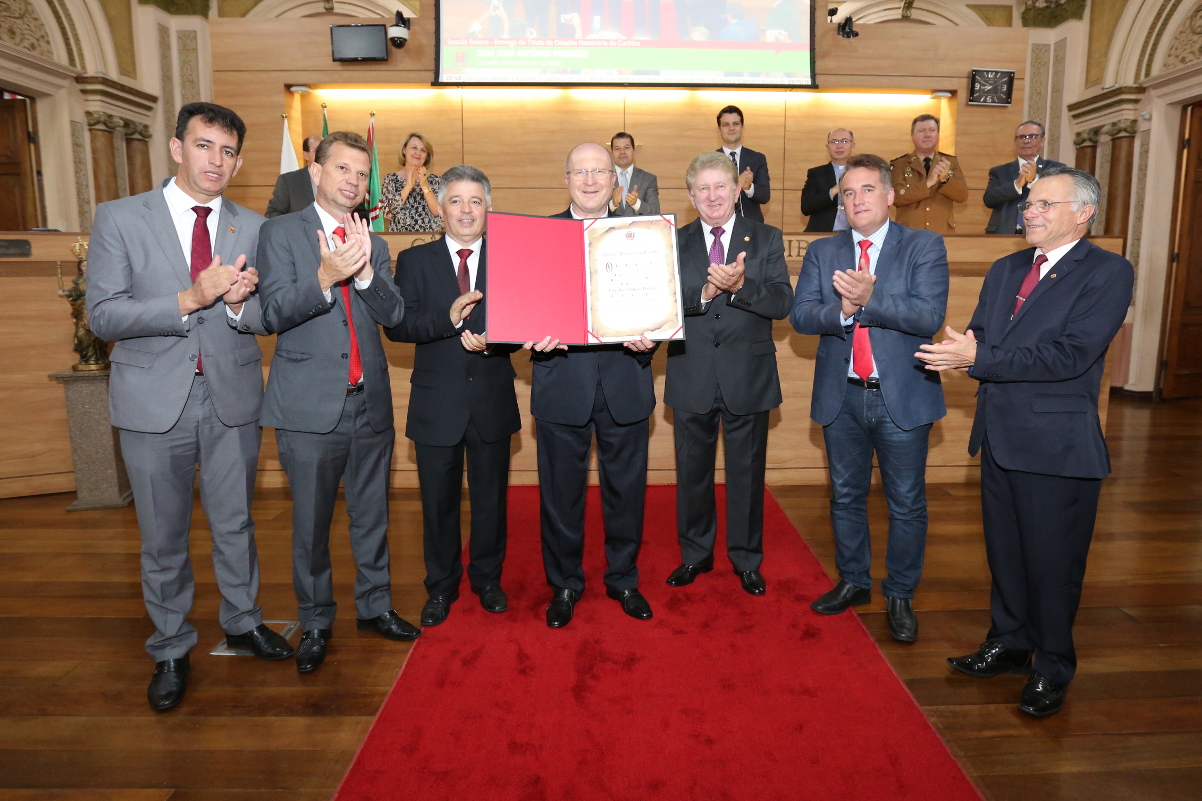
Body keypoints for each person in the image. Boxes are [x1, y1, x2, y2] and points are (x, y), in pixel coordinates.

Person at [87, 102, 292, 712]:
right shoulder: (121, 219)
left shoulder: (254, 228)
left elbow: (261, 316)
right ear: (177, 148)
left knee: (235, 523)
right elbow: (103, 314)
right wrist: (188, 297)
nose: (216, 161)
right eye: (204, 147)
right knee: (162, 536)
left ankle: (244, 621)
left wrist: (234, 305)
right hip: (154, 402)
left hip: (230, 396)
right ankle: (172, 647)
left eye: (228, 152)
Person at [917, 167, 1134, 718]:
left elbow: (1070, 356)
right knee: (1007, 554)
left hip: (1057, 445)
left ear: (1083, 213)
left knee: (1053, 562)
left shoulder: (1108, 273)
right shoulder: (1006, 267)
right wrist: (963, 351)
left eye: (1043, 203)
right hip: (999, 434)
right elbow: (982, 337)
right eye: (1028, 204)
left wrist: (978, 358)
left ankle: (1052, 664)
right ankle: (1010, 643)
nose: (1028, 212)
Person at [257, 131, 417, 675]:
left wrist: (367, 271)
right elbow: (273, 312)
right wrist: (325, 276)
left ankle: (375, 607)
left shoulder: (377, 240)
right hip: (307, 410)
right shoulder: (279, 233)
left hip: (368, 402)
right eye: (342, 168)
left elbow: (394, 317)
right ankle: (317, 620)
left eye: (360, 172)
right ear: (317, 172)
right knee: (311, 526)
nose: (352, 180)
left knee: (372, 517)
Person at [791, 153, 949, 643]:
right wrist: (840, 311)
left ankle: (900, 593)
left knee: (905, 503)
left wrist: (867, 299)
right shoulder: (823, 252)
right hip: (842, 397)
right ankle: (854, 581)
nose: (858, 200)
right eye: (850, 192)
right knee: (845, 496)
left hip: (900, 398)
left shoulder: (923, 245)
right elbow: (800, 317)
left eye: (867, 190)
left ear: (890, 195)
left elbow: (928, 316)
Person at [526, 142, 658, 629]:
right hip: (561, 383)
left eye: (598, 170)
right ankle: (563, 584)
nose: (588, 179)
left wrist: (653, 340)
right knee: (561, 495)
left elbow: (660, 307)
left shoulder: (643, 235)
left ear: (614, 178)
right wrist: (528, 334)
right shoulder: (538, 238)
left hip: (627, 379)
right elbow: (523, 305)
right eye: (579, 171)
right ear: (566, 179)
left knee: (627, 493)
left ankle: (624, 579)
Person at [385, 165, 521, 627]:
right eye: (457, 201)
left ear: (488, 207)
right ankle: (440, 587)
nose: (466, 210)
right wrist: (449, 317)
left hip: (491, 399)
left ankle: (487, 580)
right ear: (441, 208)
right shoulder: (415, 261)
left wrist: (496, 339)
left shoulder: (509, 256)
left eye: (476, 201)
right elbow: (399, 326)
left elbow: (523, 322)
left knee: (490, 500)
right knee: (437, 503)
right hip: (436, 403)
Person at [664, 151, 793, 595]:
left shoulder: (768, 237)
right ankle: (695, 556)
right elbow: (659, 305)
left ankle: (746, 559)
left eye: (721, 186)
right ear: (690, 196)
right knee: (692, 474)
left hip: (749, 375)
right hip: (691, 372)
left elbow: (782, 303)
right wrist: (701, 294)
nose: (713, 195)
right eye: (703, 188)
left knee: (747, 473)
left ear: (738, 191)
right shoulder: (671, 241)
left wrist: (741, 288)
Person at [983, 120, 1065, 235]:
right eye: (1021, 137)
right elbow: (989, 200)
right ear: (1015, 142)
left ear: (1042, 141)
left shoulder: (1057, 169)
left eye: (1033, 136)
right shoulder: (999, 171)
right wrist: (1016, 185)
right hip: (1003, 235)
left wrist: (1034, 181)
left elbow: (1060, 198)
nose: (1026, 141)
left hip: (1043, 233)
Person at [890, 114, 968, 234]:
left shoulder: (949, 162)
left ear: (937, 134)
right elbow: (896, 198)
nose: (927, 135)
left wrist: (945, 180)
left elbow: (962, 195)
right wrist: (927, 184)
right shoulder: (899, 164)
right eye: (921, 131)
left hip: (942, 233)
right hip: (909, 234)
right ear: (912, 136)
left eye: (932, 130)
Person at [715, 105, 771, 223]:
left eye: (735, 124)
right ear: (719, 130)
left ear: (743, 127)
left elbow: (765, 196)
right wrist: (736, 184)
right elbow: (709, 195)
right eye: (726, 125)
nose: (731, 128)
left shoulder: (757, 158)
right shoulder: (710, 161)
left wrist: (748, 187)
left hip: (752, 227)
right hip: (719, 224)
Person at [380, 133, 443, 233]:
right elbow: (388, 212)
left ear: (426, 155)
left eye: (423, 150)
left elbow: (438, 212)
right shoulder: (391, 179)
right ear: (404, 150)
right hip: (400, 241)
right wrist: (408, 186)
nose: (418, 153)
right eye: (414, 148)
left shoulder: (436, 180)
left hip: (430, 241)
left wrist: (425, 185)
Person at [801, 128, 855, 232]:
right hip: (821, 234)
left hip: (855, 234)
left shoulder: (862, 172)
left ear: (853, 146)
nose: (839, 146)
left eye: (844, 141)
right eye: (834, 142)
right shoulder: (816, 173)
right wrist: (833, 191)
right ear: (827, 147)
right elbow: (806, 207)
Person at [266, 134, 322, 219]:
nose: (321, 154)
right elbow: (272, 213)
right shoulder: (289, 181)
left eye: (324, 150)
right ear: (306, 155)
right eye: (316, 150)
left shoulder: (337, 178)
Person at [609, 131, 661, 217]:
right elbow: (594, 211)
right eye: (617, 148)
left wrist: (636, 204)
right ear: (612, 153)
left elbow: (655, 211)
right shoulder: (603, 178)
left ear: (634, 151)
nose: (622, 152)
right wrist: (613, 204)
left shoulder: (648, 179)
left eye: (626, 148)